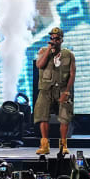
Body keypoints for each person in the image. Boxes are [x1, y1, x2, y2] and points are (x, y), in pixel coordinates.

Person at [34, 26, 76, 155]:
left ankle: (63, 145)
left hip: (62, 89)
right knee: (43, 116)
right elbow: (39, 65)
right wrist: (48, 51)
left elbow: (72, 73)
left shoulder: (68, 54)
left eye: (57, 38)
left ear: (62, 40)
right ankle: (45, 145)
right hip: (46, 89)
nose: (54, 40)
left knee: (64, 117)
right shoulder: (43, 51)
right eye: (52, 38)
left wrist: (67, 91)